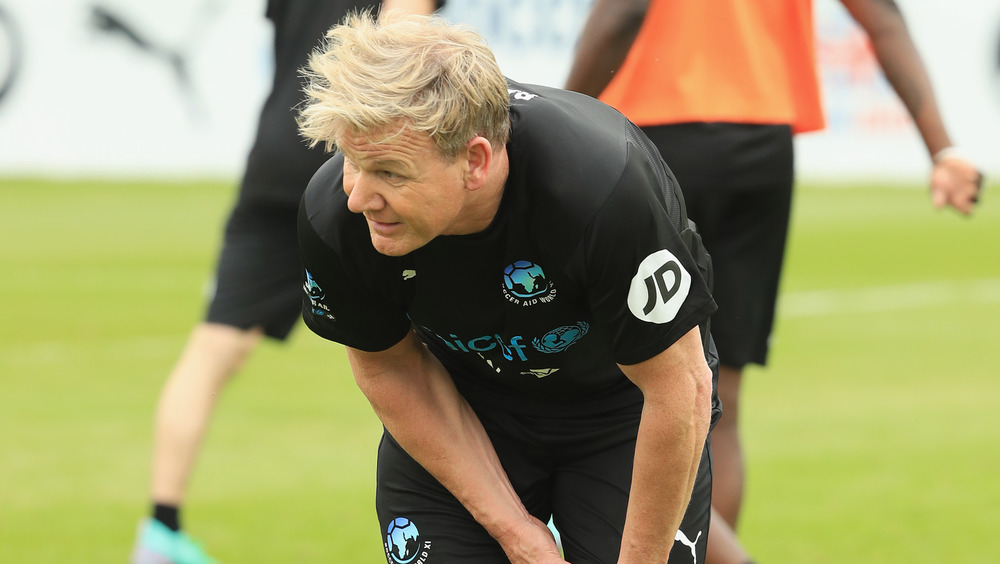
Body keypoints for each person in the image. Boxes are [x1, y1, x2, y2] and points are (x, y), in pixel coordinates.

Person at [563, 1, 984, 563]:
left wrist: (557, 118)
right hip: (760, 145)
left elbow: (624, 12)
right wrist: (942, 148)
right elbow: (882, 16)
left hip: (652, 139)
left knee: (623, 397)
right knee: (720, 403)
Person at [296, 11, 721, 564]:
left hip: (623, 409)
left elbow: (676, 389)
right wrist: (514, 531)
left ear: (474, 160)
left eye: (392, 173)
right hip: (466, 405)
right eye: (353, 163)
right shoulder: (335, 216)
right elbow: (388, 365)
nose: (359, 198)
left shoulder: (601, 188)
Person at [130, 2, 442, 564]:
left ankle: (160, 533)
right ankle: (509, 510)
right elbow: (399, 51)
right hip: (356, 163)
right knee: (448, 343)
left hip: (274, 155)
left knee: (213, 347)